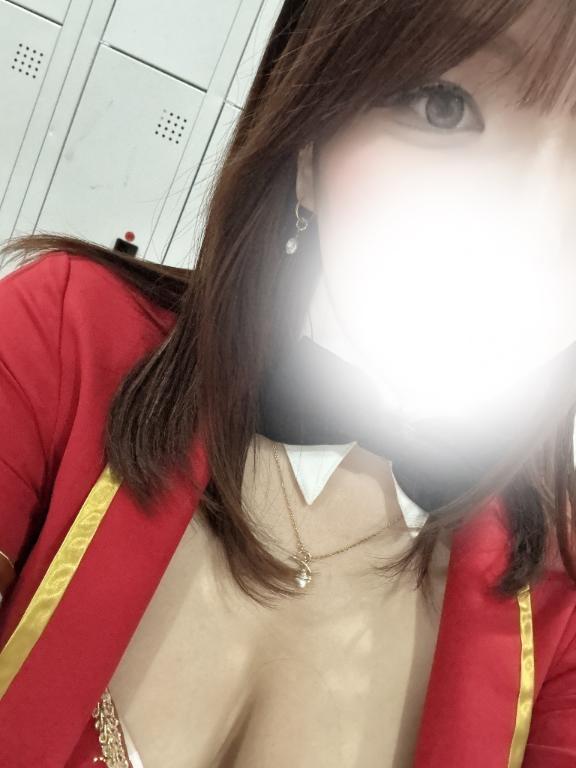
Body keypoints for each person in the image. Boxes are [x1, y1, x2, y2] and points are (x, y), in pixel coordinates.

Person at [0, 1, 575, 766]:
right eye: (443, 106)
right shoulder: (60, 341)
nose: (539, 225)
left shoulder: (562, 606)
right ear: (308, 142)